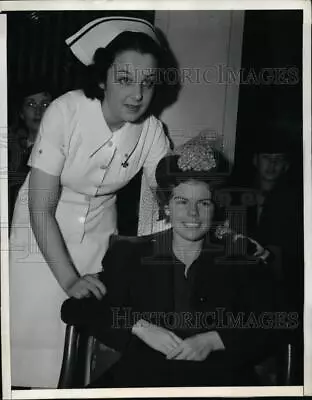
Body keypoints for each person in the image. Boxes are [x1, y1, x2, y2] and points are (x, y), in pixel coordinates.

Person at [9, 16, 172, 388]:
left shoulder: (152, 132)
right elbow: (40, 207)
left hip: (99, 233)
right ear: (102, 78)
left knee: (78, 352)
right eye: (125, 79)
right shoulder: (65, 111)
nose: (137, 94)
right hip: (39, 231)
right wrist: (68, 278)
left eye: (147, 83)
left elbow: (164, 203)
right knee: (31, 344)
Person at [61, 137, 293, 388]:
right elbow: (75, 309)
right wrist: (139, 327)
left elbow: (284, 320)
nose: (192, 213)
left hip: (219, 383)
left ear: (214, 208)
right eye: (182, 202)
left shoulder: (240, 259)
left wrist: (215, 340)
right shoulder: (130, 255)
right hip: (141, 382)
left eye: (203, 203)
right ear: (167, 206)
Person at [8, 81, 52, 224]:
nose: (38, 111)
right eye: (31, 105)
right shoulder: (9, 148)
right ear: (21, 113)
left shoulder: (61, 152)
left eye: (45, 105)